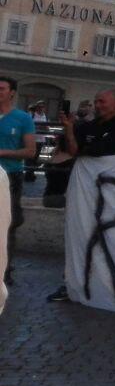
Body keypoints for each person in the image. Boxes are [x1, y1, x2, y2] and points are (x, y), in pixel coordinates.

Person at [48, 90, 115, 302]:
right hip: (85, 188)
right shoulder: (89, 125)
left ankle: (106, 283)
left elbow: (101, 150)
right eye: (96, 101)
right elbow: (73, 150)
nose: (98, 105)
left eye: (102, 101)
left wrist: (83, 148)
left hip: (110, 191)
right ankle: (73, 282)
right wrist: (69, 129)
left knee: (108, 237)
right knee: (79, 233)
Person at [0, 77, 38, 286]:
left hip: (10, 177)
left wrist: (2, 152)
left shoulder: (23, 118)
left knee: (7, 224)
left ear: (12, 92)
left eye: (2, 88)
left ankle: (4, 271)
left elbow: (30, 151)